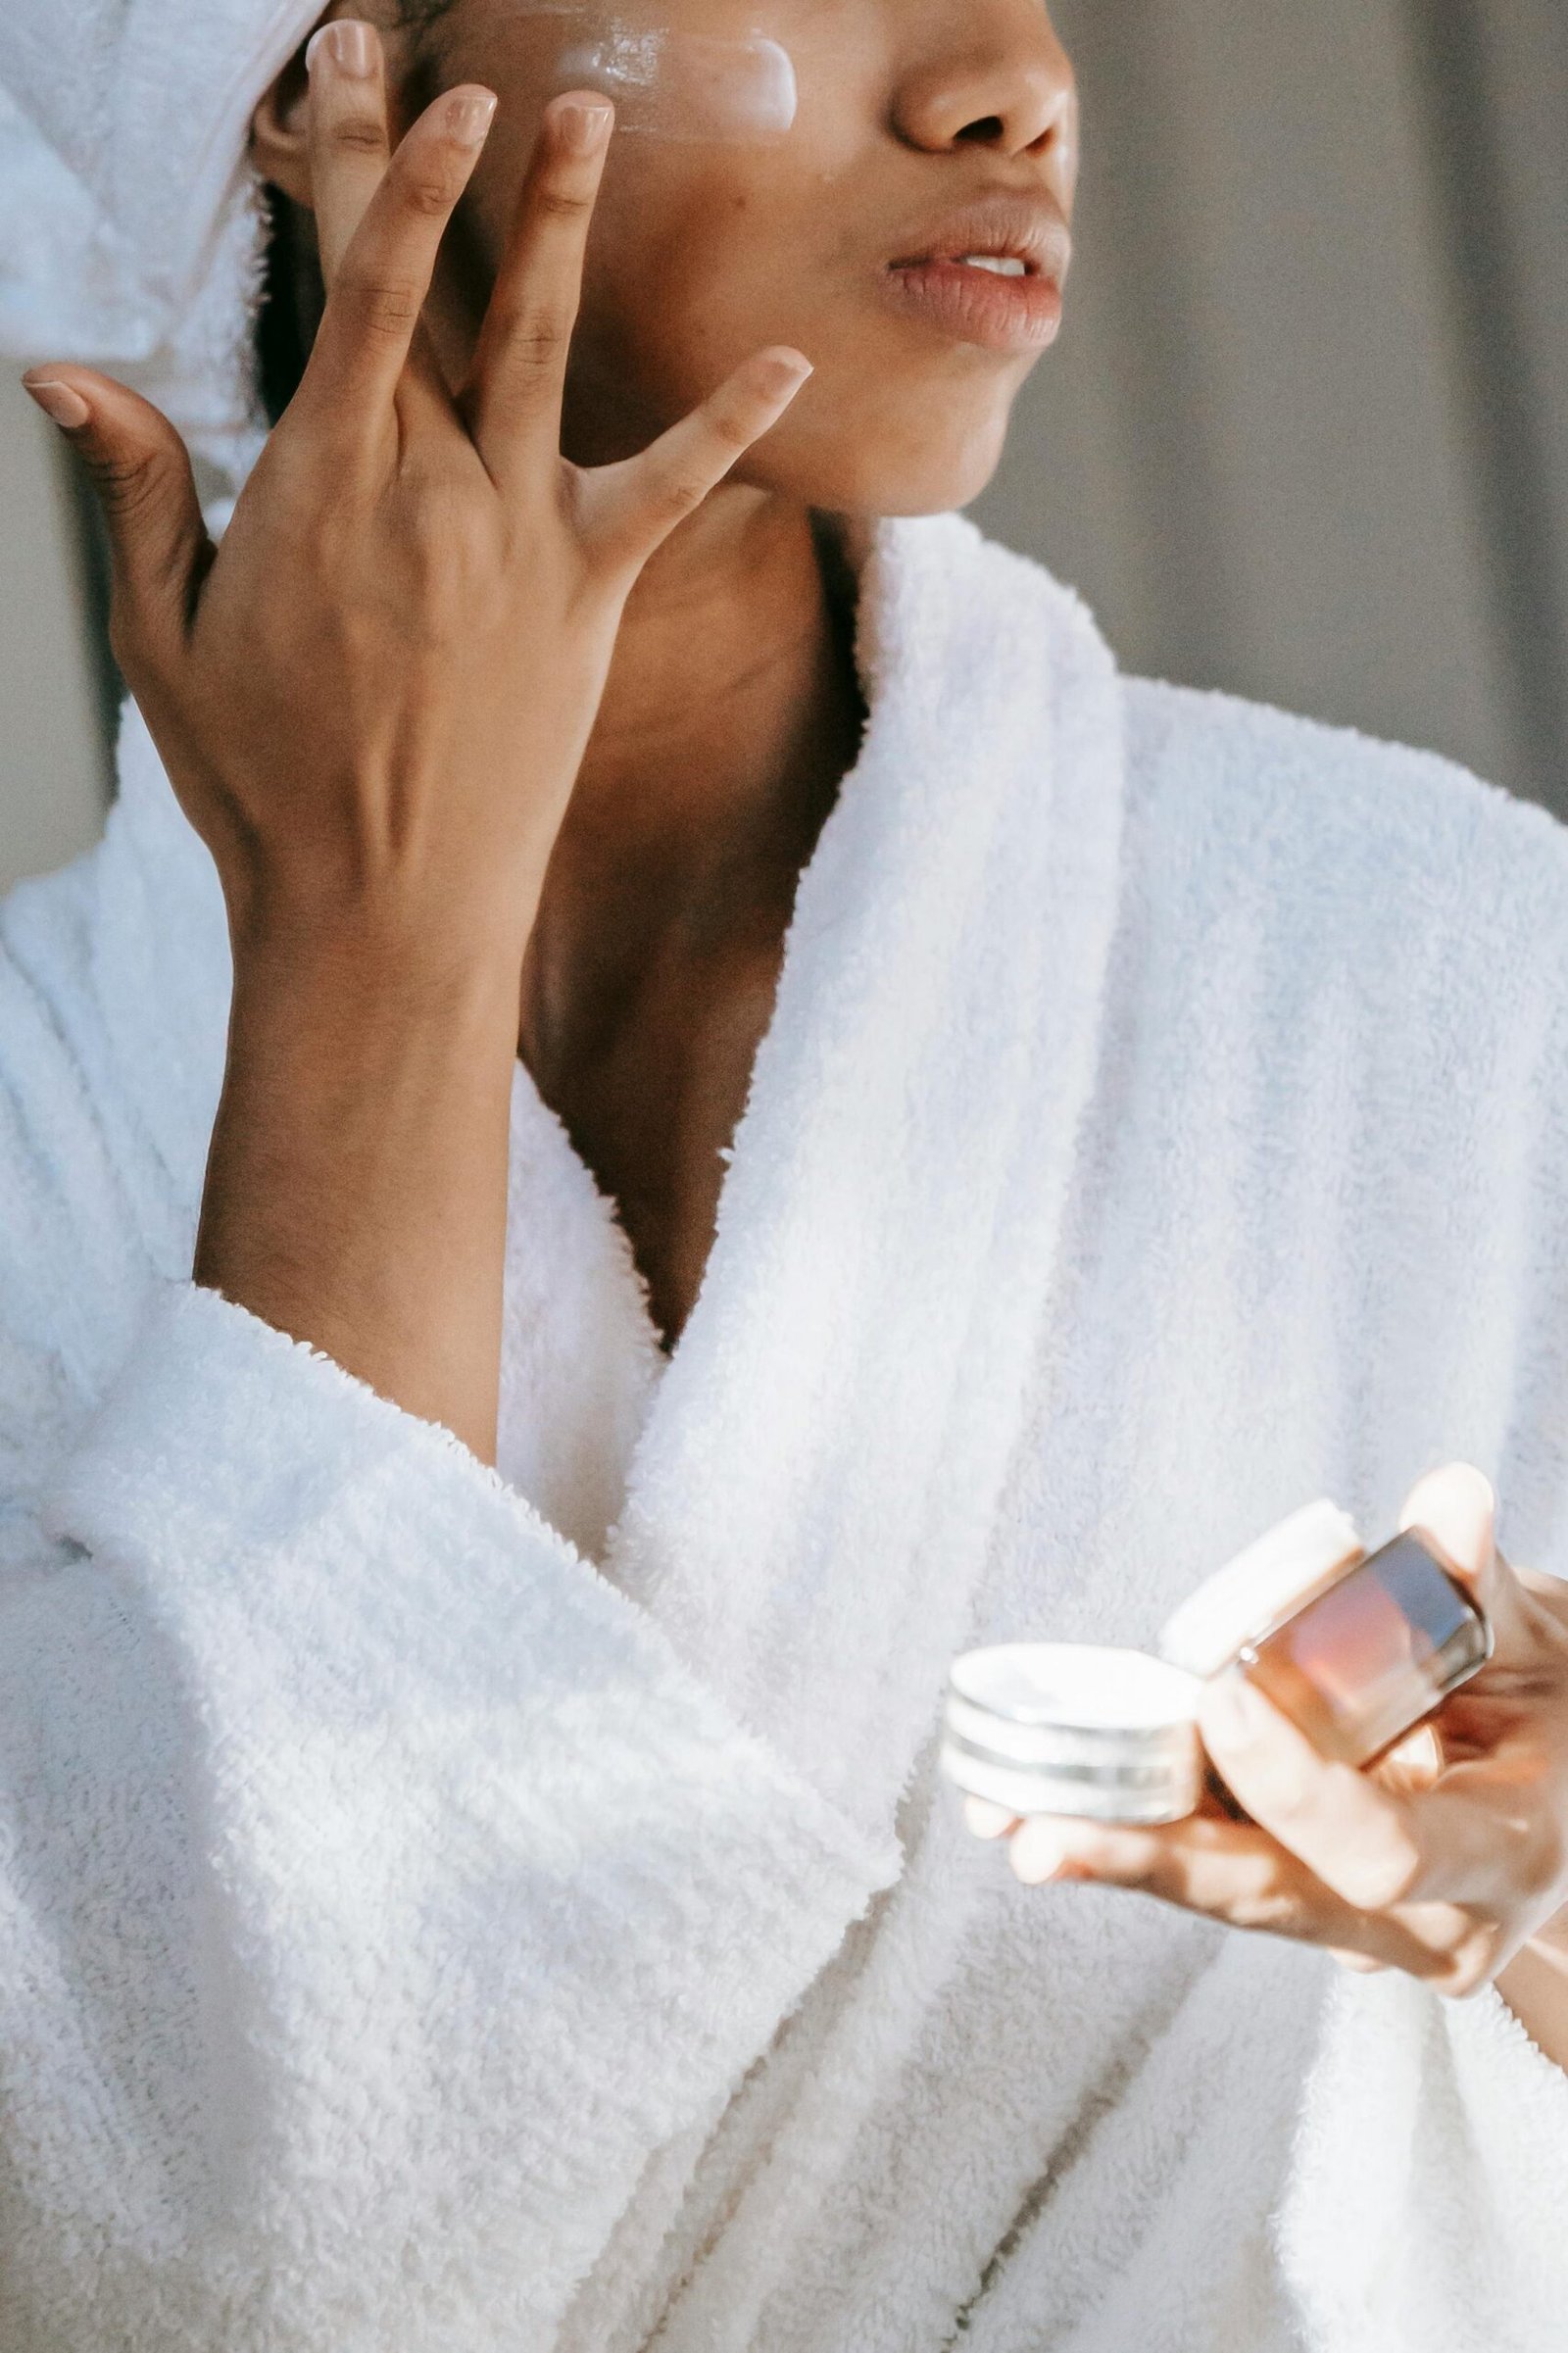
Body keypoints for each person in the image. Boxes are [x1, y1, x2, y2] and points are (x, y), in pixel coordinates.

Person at [0, 2, 1566, 2346]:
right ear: (306, 75)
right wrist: (368, 967)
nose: (1010, 81)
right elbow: (185, 2246)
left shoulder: (1431, 962)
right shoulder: (39, 1116)